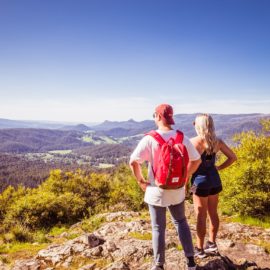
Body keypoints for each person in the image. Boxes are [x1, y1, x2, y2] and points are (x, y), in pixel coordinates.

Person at [130, 104, 201, 270]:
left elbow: (133, 162)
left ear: (158, 116)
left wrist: (141, 181)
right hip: (177, 190)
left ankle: (159, 265)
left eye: (154, 115)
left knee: (157, 227)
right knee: (181, 222)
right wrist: (184, 178)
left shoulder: (150, 138)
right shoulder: (181, 137)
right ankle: (191, 262)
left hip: (156, 191)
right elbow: (196, 160)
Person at [190, 113, 237, 258]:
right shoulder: (218, 142)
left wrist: (185, 180)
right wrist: (218, 168)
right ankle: (212, 243)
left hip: (199, 182)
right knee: (213, 213)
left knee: (200, 215)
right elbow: (233, 157)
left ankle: (199, 248)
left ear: (198, 125)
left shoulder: (193, 142)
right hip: (215, 180)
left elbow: (190, 165)